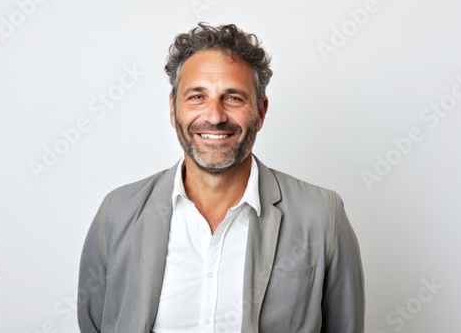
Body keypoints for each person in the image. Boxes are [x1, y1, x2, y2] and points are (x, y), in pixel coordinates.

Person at [78, 23, 364, 333]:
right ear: (173, 109)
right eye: (197, 97)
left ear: (261, 111)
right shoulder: (117, 213)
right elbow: (94, 322)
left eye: (234, 98)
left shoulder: (322, 216)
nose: (215, 116)